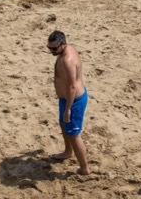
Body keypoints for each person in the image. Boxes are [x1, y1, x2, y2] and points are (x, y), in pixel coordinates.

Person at [49, 30, 90, 174]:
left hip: (73, 102)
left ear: (63, 44)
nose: (51, 51)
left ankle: (84, 168)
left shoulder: (68, 61)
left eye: (54, 48)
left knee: (74, 135)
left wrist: (68, 109)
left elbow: (72, 87)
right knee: (63, 124)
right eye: (49, 48)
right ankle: (67, 152)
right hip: (65, 99)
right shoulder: (68, 48)